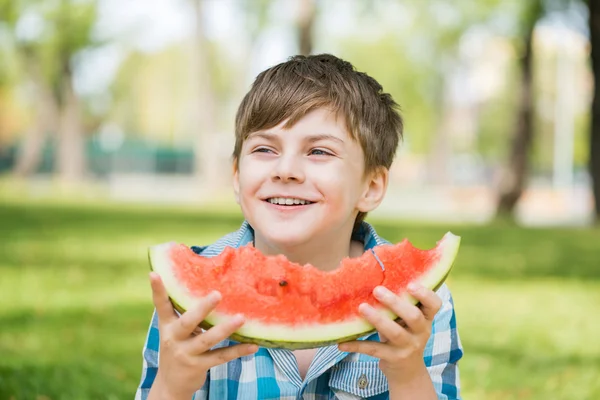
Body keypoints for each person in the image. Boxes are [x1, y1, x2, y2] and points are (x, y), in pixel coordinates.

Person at [135, 54, 463, 400]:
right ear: (236, 176)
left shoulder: (419, 304)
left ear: (371, 187)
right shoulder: (187, 303)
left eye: (319, 152)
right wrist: (172, 385)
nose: (286, 169)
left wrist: (408, 376)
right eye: (264, 149)